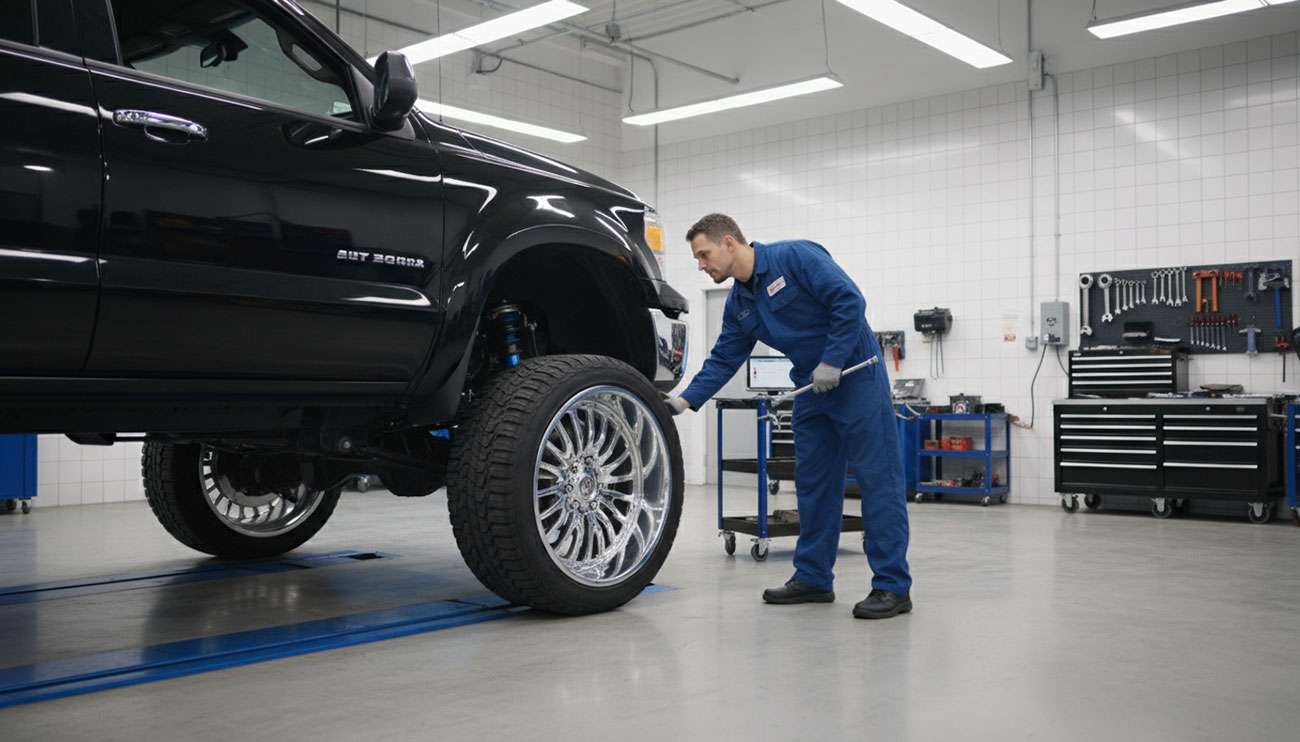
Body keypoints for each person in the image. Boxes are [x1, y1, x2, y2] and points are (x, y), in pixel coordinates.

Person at [667, 214, 912, 619]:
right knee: (814, 486)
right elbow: (725, 357)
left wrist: (833, 360)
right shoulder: (740, 303)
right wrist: (684, 402)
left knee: (877, 482)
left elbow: (849, 301)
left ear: (729, 242)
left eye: (704, 254)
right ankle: (814, 578)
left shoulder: (795, 256)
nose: (701, 265)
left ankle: (892, 587)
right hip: (811, 390)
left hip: (856, 378)